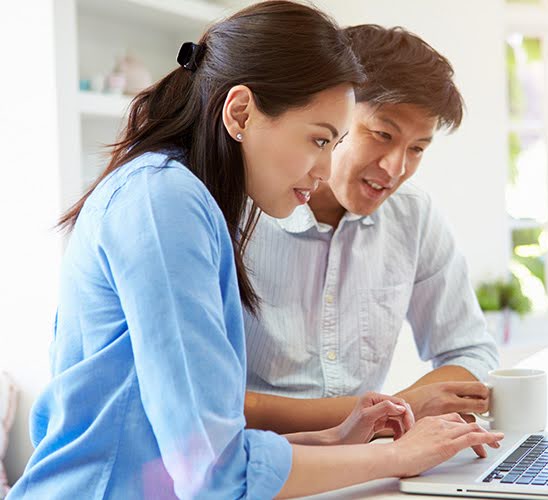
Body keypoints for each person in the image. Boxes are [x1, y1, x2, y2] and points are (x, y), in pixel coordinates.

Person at [7, 3, 502, 499]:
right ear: (240, 112)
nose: (325, 170)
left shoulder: (186, 198)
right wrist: (394, 455)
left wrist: (336, 437)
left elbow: (201, 444)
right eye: (319, 139)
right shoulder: (165, 204)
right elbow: (217, 474)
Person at [243, 24, 499, 435]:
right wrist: (395, 409)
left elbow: (470, 350)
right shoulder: (237, 211)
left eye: (417, 148)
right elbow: (209, 403)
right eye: (382, 135)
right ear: (334, 113)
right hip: (259, 462)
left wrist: (393, 414)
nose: (396, 168)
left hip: (368, 459)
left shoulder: (412, 215)